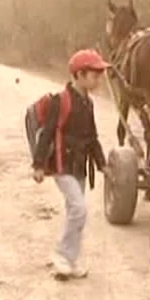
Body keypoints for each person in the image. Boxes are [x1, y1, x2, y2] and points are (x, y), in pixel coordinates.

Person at [32, 49, 111, 279]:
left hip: (80, 166)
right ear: (79, 74)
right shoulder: (60, 101)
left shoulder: (88, 103)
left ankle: (71, 259)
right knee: (79, 209)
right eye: (95, 75)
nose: (99, 80)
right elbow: (46, 133)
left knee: (73, 212)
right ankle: (61, 254)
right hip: (61, 165)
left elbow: (92, 137)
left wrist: (102, 164)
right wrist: (38, 165)